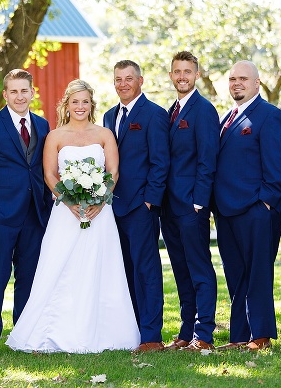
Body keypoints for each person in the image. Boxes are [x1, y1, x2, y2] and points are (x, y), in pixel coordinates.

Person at [6, 79, 140, 353]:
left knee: (100, 268)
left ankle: (106, 334)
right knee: (60, 267)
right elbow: (49, 175)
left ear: (91, 105)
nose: (80, 106)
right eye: (75, 101)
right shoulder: (55, 136)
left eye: (85, 102)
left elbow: (113, 172)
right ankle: (53, 331)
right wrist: (69, 201)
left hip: (99, 215)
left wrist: (100, 202)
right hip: (65, 214)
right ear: (66, 104)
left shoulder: (104, 134)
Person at [0, 69, 53, 355]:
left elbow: (44, 169)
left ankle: (23, 335)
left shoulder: (43, 126)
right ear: (5, 94)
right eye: (14, 91)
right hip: (0, 216)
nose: (20, 96)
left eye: (24, 91)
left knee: (28, 279)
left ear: (32, 93)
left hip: (34, 215)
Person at [212, 61, 281, 351]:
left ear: (257, 83)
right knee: (236, 274)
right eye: (232, 79)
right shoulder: (227, 117)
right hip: (227, 211)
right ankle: (239, 336)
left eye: (243, 78)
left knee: (257, 273)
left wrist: (265, 203)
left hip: (257, 210)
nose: (236, 83)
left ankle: (261, 335)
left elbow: (277, 164)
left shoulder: (269, 116)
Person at [102, 60, 170, 352]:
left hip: (140, 208)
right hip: (111, 209)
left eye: (129, 78)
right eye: (118, 79)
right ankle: (131, 331)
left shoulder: (154, 114)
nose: (123, 84)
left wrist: (149, 201)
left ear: (140, 81)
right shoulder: (107, 116)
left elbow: (160, 162)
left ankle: (152, 335)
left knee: (146, 270)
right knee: (123, 270)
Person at [162, 51, 219, 351]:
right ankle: (186, 332)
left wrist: (200, 201)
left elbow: (208, 159)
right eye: (176, 71)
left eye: (187, 71)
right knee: (181, 270)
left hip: (191, 206)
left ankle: (204, 334)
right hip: (169, 207)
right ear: (171, 75)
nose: (182, 76)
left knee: (199, 270)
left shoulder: (204, 110)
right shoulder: (171, 110)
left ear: (196, 74)